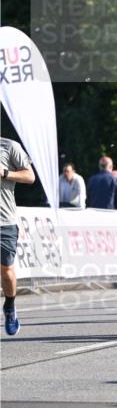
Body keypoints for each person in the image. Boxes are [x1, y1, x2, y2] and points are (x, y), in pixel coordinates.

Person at [1, 137, 35, 336]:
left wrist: (5, 173)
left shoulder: (9, 146)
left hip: (4, 220)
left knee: (6, 271)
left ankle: (10, 306)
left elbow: (30, 176)